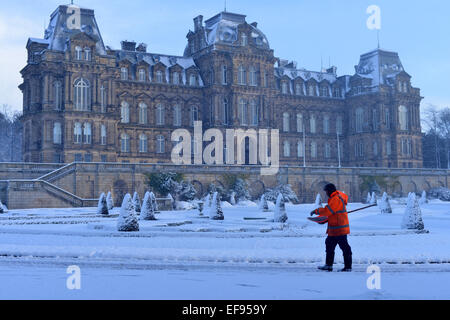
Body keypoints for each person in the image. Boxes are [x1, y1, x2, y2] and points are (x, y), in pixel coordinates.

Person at [309, 184, 352, 272]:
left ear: (330, 191)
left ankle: (348, 267)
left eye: (326, 191)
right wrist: (323, 220)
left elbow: (328, 211)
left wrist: (317, 211)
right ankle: (328, 265)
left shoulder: (336, 199)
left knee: (345, 248)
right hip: (334, 228)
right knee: (329, 245)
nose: (326, 193)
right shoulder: (334, 198)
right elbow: (331, 213)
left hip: (339, 229)